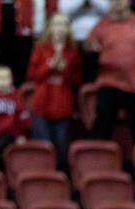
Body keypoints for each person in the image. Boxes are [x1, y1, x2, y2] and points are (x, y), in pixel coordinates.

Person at [86, 0, 135, 142]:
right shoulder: (99, 27)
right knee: (101, 129)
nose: (117, 2)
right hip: (108, 83)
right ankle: (99, 161)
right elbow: (89, 63)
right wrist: (91, 54)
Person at [28, 12, 83, 169]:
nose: (60, 28)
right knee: (42, 147)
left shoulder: (72, 51)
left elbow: (76, 80)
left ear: (68, 29)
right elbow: (32, 76)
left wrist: (64, 70)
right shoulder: (40, 48)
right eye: (56, 24)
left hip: (63, 107)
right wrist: (49, 66)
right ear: (50, 27)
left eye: (63, 24)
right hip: (41, 105)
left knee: (61, 149)